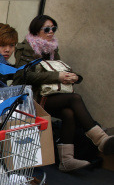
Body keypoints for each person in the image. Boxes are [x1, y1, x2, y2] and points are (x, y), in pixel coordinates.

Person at [14, 15, 113, 172]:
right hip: (31, 98)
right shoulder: (26, 48)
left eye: (54, 28)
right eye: (47, 29)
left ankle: (66, 160)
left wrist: (71, 76)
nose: (51, 32)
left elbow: (59, 70)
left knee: (69, 113)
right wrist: (57, 77)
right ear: (36, 30)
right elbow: (22, 76)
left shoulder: (53, 48)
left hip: (50, 96)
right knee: (75, 99)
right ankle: (100, 139)